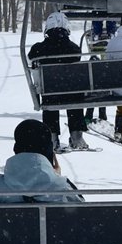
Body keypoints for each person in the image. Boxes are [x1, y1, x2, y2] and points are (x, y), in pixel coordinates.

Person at [28, 11, 89, 151]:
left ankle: (52, 138)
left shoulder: (38, 49)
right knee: (75, 100)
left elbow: (30, 59)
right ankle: (76, 136)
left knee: (50, 104)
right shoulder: (73, 48)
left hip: (50, 94)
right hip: (71, 93)